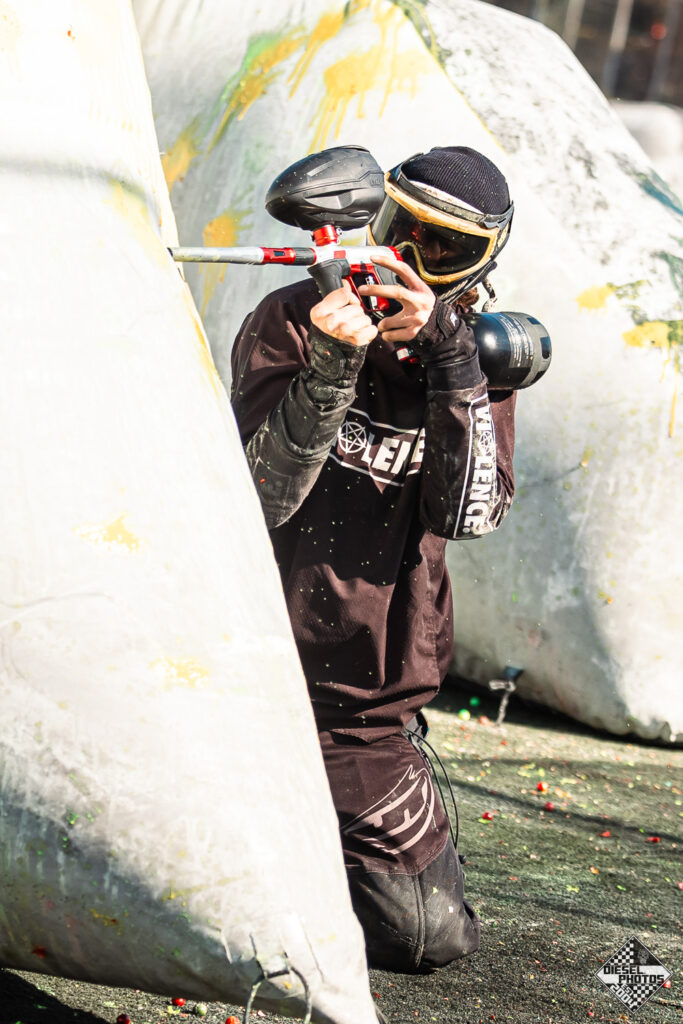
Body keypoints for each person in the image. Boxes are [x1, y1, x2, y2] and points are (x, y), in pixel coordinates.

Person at [230, 146, 516, 973]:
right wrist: (330, 370)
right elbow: (260, 498)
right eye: (403, 231)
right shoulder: (294, 318)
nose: (413, 262)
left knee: (426, 936)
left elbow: (468, 514)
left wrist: (451, 364)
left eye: (446, 249)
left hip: (362, 713)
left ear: (481, 265)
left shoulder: (476, 360)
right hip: (244, 673)